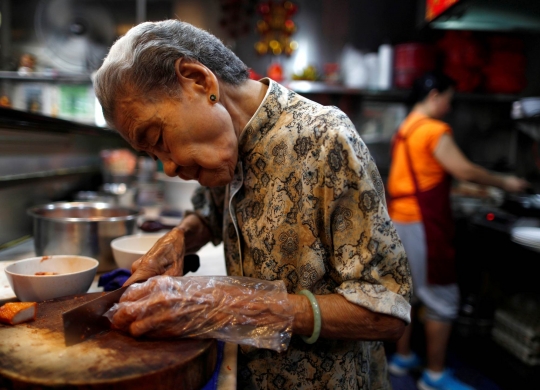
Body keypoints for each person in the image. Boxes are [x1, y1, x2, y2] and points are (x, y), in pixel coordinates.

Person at [93, 19, 412, 389]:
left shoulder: (327, 140)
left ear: (199, 81)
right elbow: (209, 212)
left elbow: (387, 310)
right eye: (150, 154)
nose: (166, 166)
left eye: (158, 137)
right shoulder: (224, 144)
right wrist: (181, 238)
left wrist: (232, 305)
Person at [386, 71, 529, 390]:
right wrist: (504, 181)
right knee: (442, 296)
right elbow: (462, 168)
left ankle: (402, 357)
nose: (449, 107)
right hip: (425, 225)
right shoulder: (433, 129)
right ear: (435, 96)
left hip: (401, 221)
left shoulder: (406, 127)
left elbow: (425, 177)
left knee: (405, 294)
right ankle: (434, 376)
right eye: (448, 99)